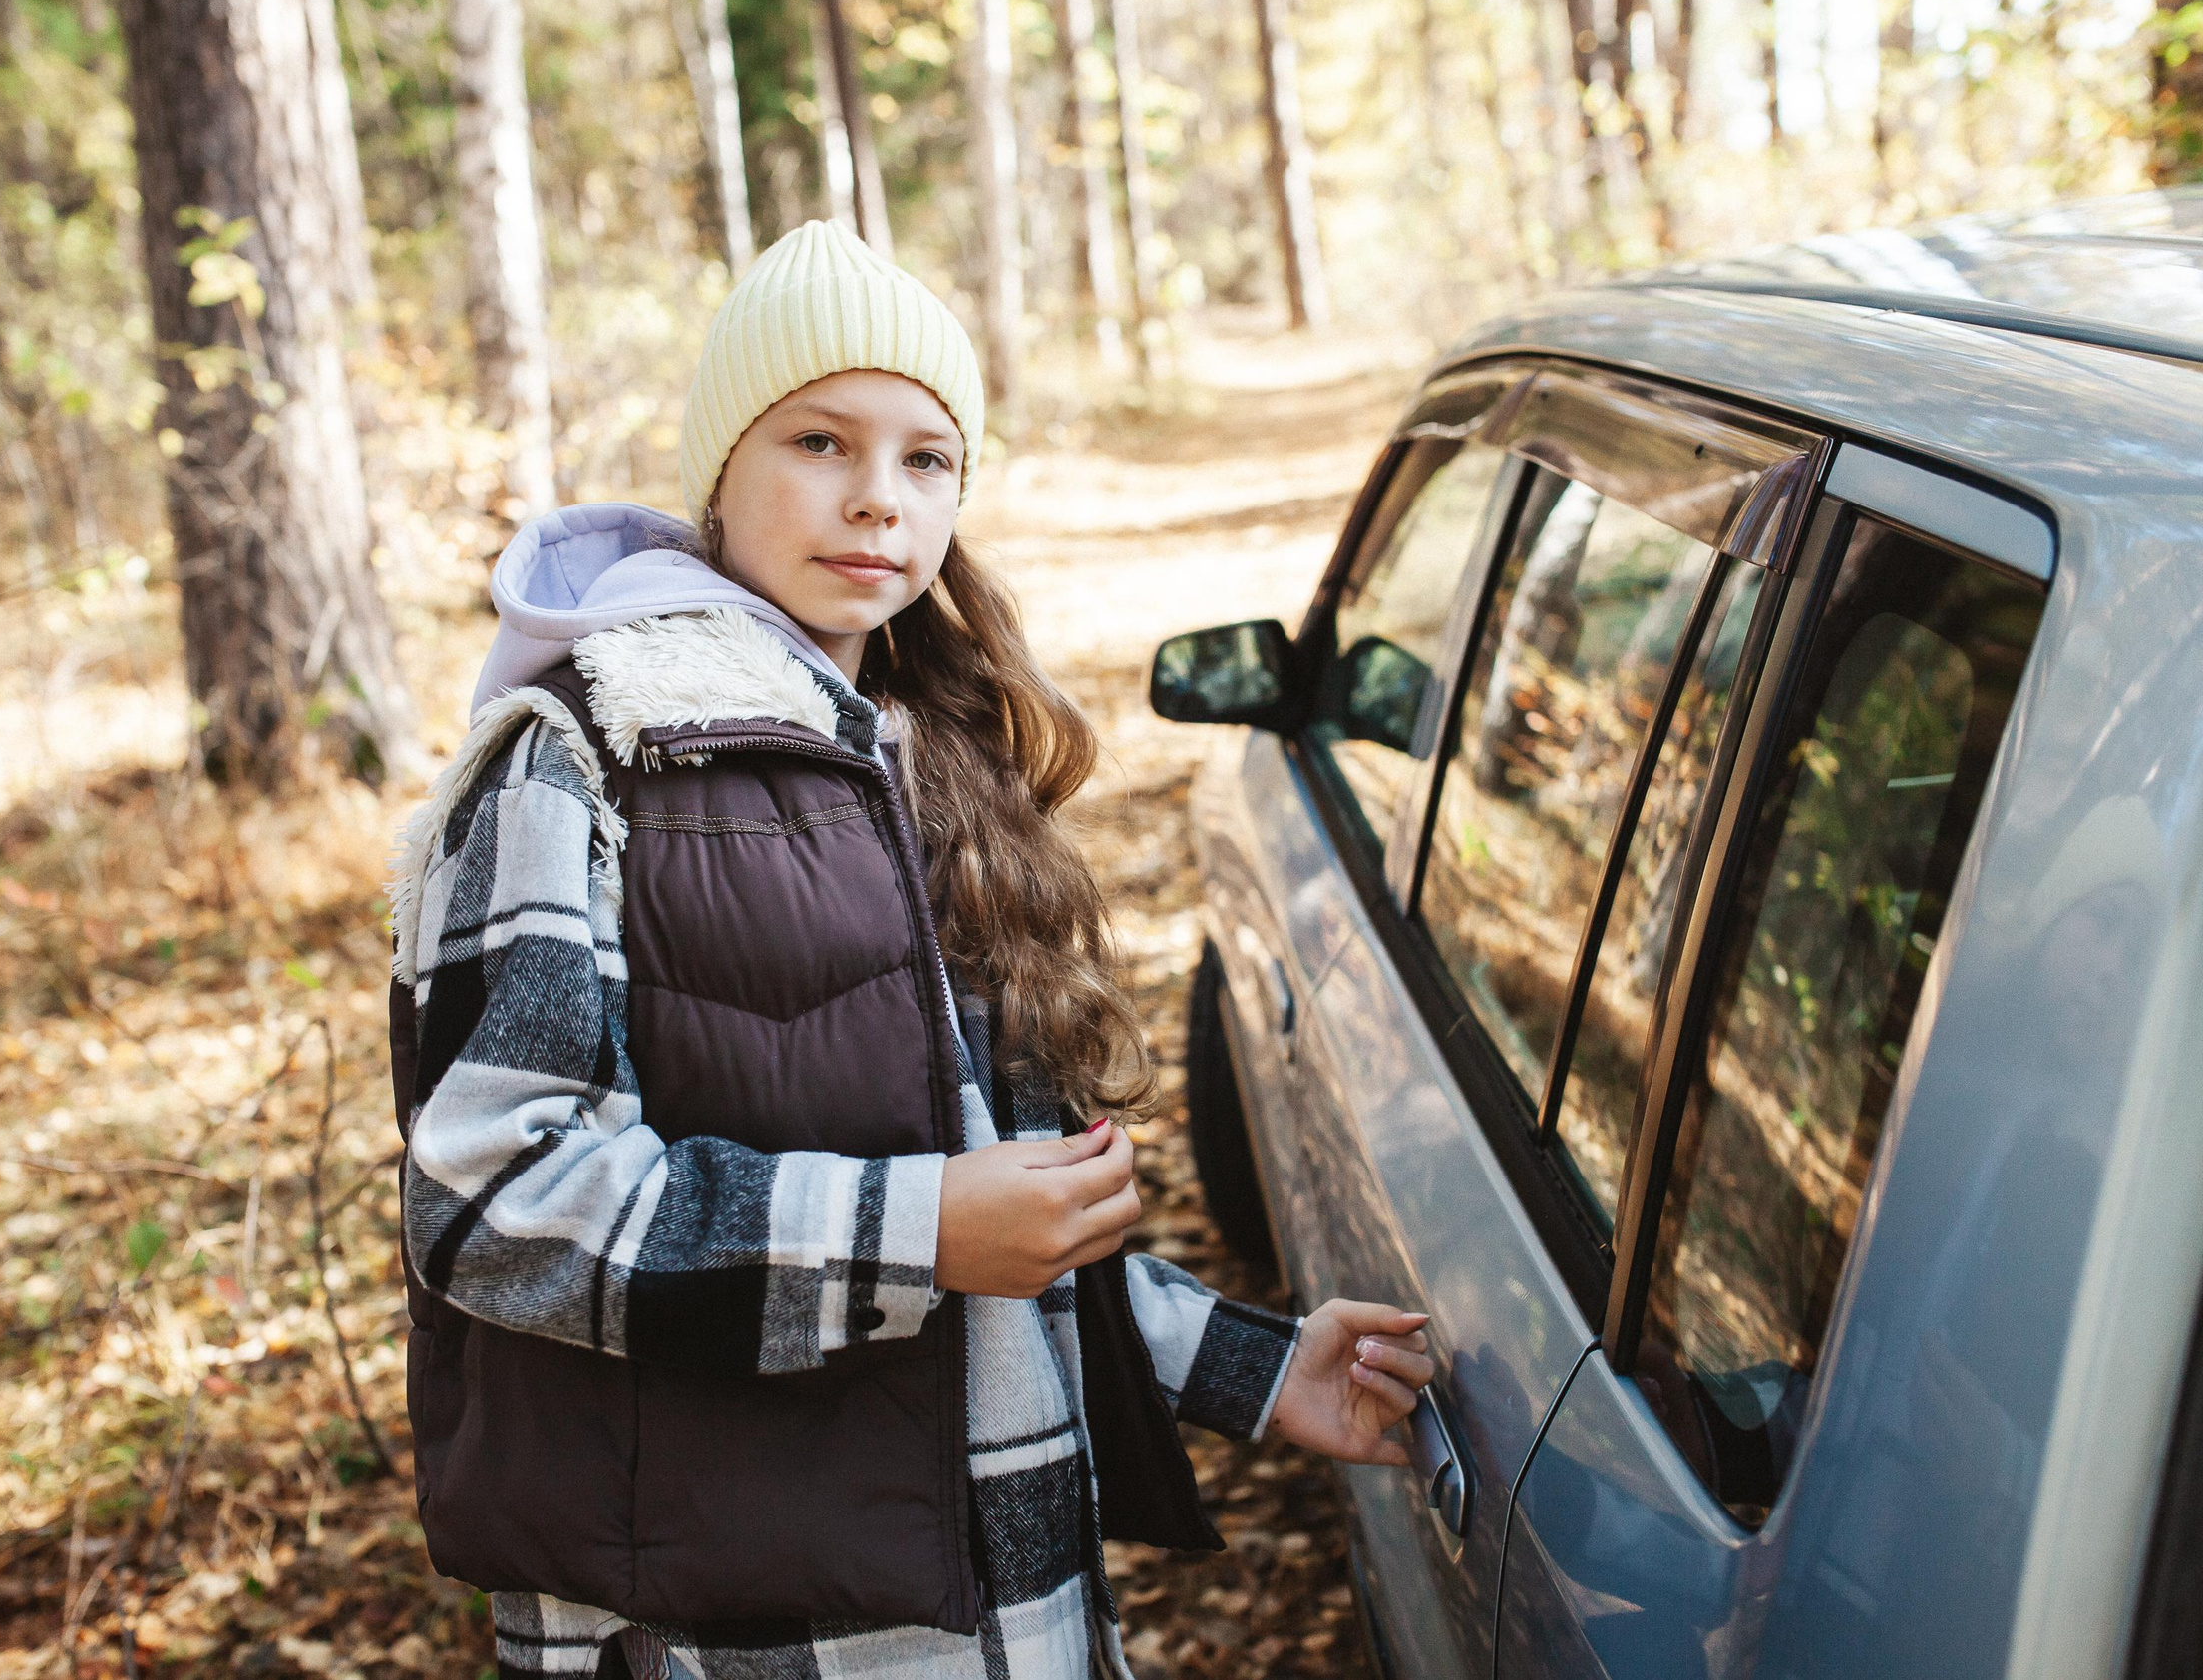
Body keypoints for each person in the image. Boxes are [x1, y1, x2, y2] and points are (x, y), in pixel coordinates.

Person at [386, 220, 1436, 1680]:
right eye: (821, 439)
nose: (878, 498)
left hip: (1004, 1614)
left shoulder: (925, 752)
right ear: (720, 471)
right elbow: (490, 1200)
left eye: (927, 457)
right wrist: (918, 1229)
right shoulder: (575, 757)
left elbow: (999, 1209)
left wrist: (1258, 1369)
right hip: (739, 1632)